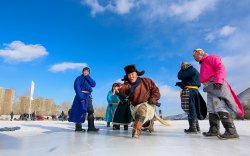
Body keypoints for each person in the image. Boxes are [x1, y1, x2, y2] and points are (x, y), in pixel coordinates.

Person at [193, 48, 244, 139]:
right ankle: (214, 130)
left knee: (219, 106)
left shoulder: (211, 58)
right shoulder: (202, 63)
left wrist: (218, 81)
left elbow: (220, 68)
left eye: (194, 55)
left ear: (199, 53)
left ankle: (231, 131)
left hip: (216, 84)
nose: (194, 57)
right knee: (211, 108)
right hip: (209, 87)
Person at [112, 64, 160, 138]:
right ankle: (149, 123)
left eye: (132, 74)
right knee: (142, 120)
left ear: (136, 74)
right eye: (129, 75)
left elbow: (155, 91)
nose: (131, 76)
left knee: (142, 110)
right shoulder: (127, 85)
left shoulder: (147, 81)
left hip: (147, 105)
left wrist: (153, 98)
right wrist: (116, 86)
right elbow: (122, 87)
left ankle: (135, 132)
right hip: (134, 107)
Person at [176, 62, 207, 134]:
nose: (182, 67)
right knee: (194, 108)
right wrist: (180, 84)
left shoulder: (190, 69)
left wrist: (181, 70)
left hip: (190, 91)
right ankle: (196, 127)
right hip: (194, 90)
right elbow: (188, 82)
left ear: (186, 66)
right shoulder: (192, 71)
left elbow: (180, 76)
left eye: (182, 66)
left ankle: (193, 128)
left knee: (191, 108)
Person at [68, 67, 99, 132]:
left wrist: (87, 77)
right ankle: (78, 128)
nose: (85, 72)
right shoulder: (79, 78)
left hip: (88, 96)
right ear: (82, 72)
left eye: (87, 71)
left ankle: (91, 127)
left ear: (88, 73)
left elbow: (93, 84)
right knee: (80, 110)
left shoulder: (88, 79)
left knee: (91, 110)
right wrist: (81, 97)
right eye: (84, 71)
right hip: (81, 95)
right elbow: (77, 88)